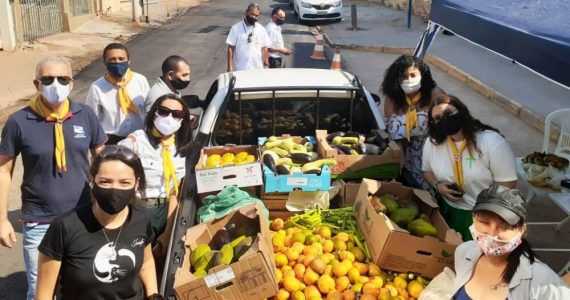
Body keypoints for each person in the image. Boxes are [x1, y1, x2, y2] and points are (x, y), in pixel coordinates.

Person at [0, 56, 107, 300]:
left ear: (71, 84)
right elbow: (3, 171)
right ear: (36, 84)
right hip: (39, 222)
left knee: (84, 287)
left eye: (62, 79)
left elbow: (102, 161)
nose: (55, 84)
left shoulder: (86, 115)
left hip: (83, 219)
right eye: (48, 79)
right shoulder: (18, 122)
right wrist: (2, 219)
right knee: (41, 292)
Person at [35, 145, 160, 300]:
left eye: (125, 182)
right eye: (105, 181)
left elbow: (146, 263)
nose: (115, 190)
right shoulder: (65, 227)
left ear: (136, 183)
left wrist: (153, 294)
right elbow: (44, 294)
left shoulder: (141, 218)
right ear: (92, 181)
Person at [422, 94, 517, 240]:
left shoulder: (491, 142)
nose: (444, 120)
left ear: (462, 111)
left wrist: (486, 217)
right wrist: (437, 185)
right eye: (437, 119)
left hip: (483, 218)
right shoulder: (433, 142)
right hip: (445, 211)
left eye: (448, 113)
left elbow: (507, 185)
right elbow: (427, 171)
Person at [451, 185, 569, 299]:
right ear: (473, 219)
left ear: (521, 230)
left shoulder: (541, 280)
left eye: (504, 227)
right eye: (484, 222)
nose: (492, 234)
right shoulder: (464, 252)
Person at [119, 94, 192, 259]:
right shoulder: (136, 142)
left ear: (183, 120)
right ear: (154, 113)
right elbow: (118, 175)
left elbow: (174, 192)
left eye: (177, 114)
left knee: (158, 261)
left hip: (164, 211)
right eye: (164, 111)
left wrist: (167, 233)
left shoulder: (180, 148)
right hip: (137, 210)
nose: (169, 118)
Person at [381, 55, 445, 190]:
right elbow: (395, 139)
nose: (409, 80)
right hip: (408, 166)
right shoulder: (391, 100)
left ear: (422, 75)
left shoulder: (436, 95)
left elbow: (449, 126)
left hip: (435, 163)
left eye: (413, 75)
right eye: (404, 77)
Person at [86, 43, 150, 145]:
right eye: (112, 59)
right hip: (111, 140)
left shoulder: (140, 80)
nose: (117, 62)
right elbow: (92, 120)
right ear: (105, 62)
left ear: (129, 61)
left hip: (139, 139)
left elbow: (149, 109)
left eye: (121, 59)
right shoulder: (97, 87)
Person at [226, 3, 271, 72]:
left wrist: (266, 65)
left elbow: (265, 48)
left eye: (256, 15)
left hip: (258, 69)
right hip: (241, 69)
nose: (254, 17)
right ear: (247, 12)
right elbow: (230, 48)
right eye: (252, 14)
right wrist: (230, 67)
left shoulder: (261, 29)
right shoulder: (236, 28)